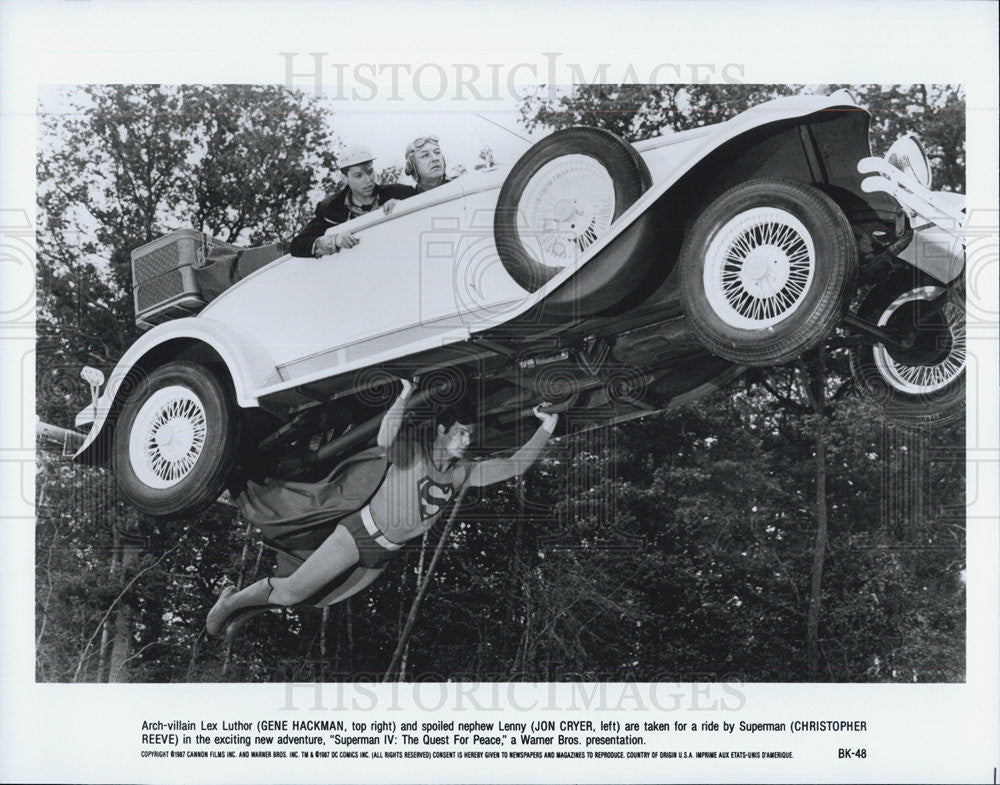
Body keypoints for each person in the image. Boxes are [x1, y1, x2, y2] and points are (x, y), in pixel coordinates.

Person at [207, 381, 559, 639]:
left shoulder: (463, 473)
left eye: (469, 436)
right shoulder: (414, 452)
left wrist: (547, 426)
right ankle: (230, 603)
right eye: (461, 433)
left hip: (381, 557)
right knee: (292, 592)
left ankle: (243, 612)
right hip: (358, 537)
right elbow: (384, 439)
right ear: (442, 431)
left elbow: (514, 465)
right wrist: (404, 396)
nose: (467, 441)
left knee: (313, 598)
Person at [289, 144, 417, 258]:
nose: (368, 180)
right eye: (358, 175)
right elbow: (297, 245)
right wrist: (335, 240)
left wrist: (402, 205)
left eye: (370, 172)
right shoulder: (332, 209)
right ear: (345, 178)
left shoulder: (400, 192)